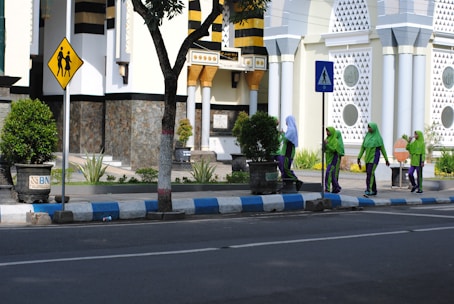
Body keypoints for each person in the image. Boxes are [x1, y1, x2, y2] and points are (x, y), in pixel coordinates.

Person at [357, 122, 390, 196]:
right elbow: (363, 147)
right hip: (367, 158)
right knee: (370, 173)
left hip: (374, 158)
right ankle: (374, 190)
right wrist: (359, 157)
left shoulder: (378, 138)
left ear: (374, 128)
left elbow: (383, 149)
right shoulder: (367, 136)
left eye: (370, 127)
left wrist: (386, 159)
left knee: (370, 173)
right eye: (368, 127)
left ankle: (369, 189)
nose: (368, 129)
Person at [278, 115, 303, 191]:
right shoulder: (291, 130)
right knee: (284, 169)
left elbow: (286, 139)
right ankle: (286, 185)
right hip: (286, 152)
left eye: (286, 121)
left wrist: (282, 134)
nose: (286, 123)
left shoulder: (291, 130)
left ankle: (296, 181)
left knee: (285, 169)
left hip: (288, 153)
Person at [324, 127, 341, 193]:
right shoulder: (327, 139)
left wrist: (327, 145)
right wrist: (324, 145)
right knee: (332, 174)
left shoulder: (335, 141)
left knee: (328, 173)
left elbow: (334, 149)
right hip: (328, 159)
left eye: (328, 131)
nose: (327, 133)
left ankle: (327, 188)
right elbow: (325, 149)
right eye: (326, 131)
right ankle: (336, 188)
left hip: (333, 159)